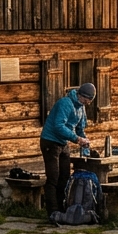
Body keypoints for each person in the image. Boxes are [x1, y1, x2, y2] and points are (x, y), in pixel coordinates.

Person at [39, 82, 96, 216]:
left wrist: (84, 141)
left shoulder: (81, 107)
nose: (88, 103)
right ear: (81, 95)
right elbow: (59, 126)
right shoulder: (65, 103)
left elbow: (80, 128)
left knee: (65, 177)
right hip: (50, 141)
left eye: (90, 100)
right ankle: (53, 212)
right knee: (53, 177)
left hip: (63, 143)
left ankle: (62, 209)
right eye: (87, 99)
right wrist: (76, 139)